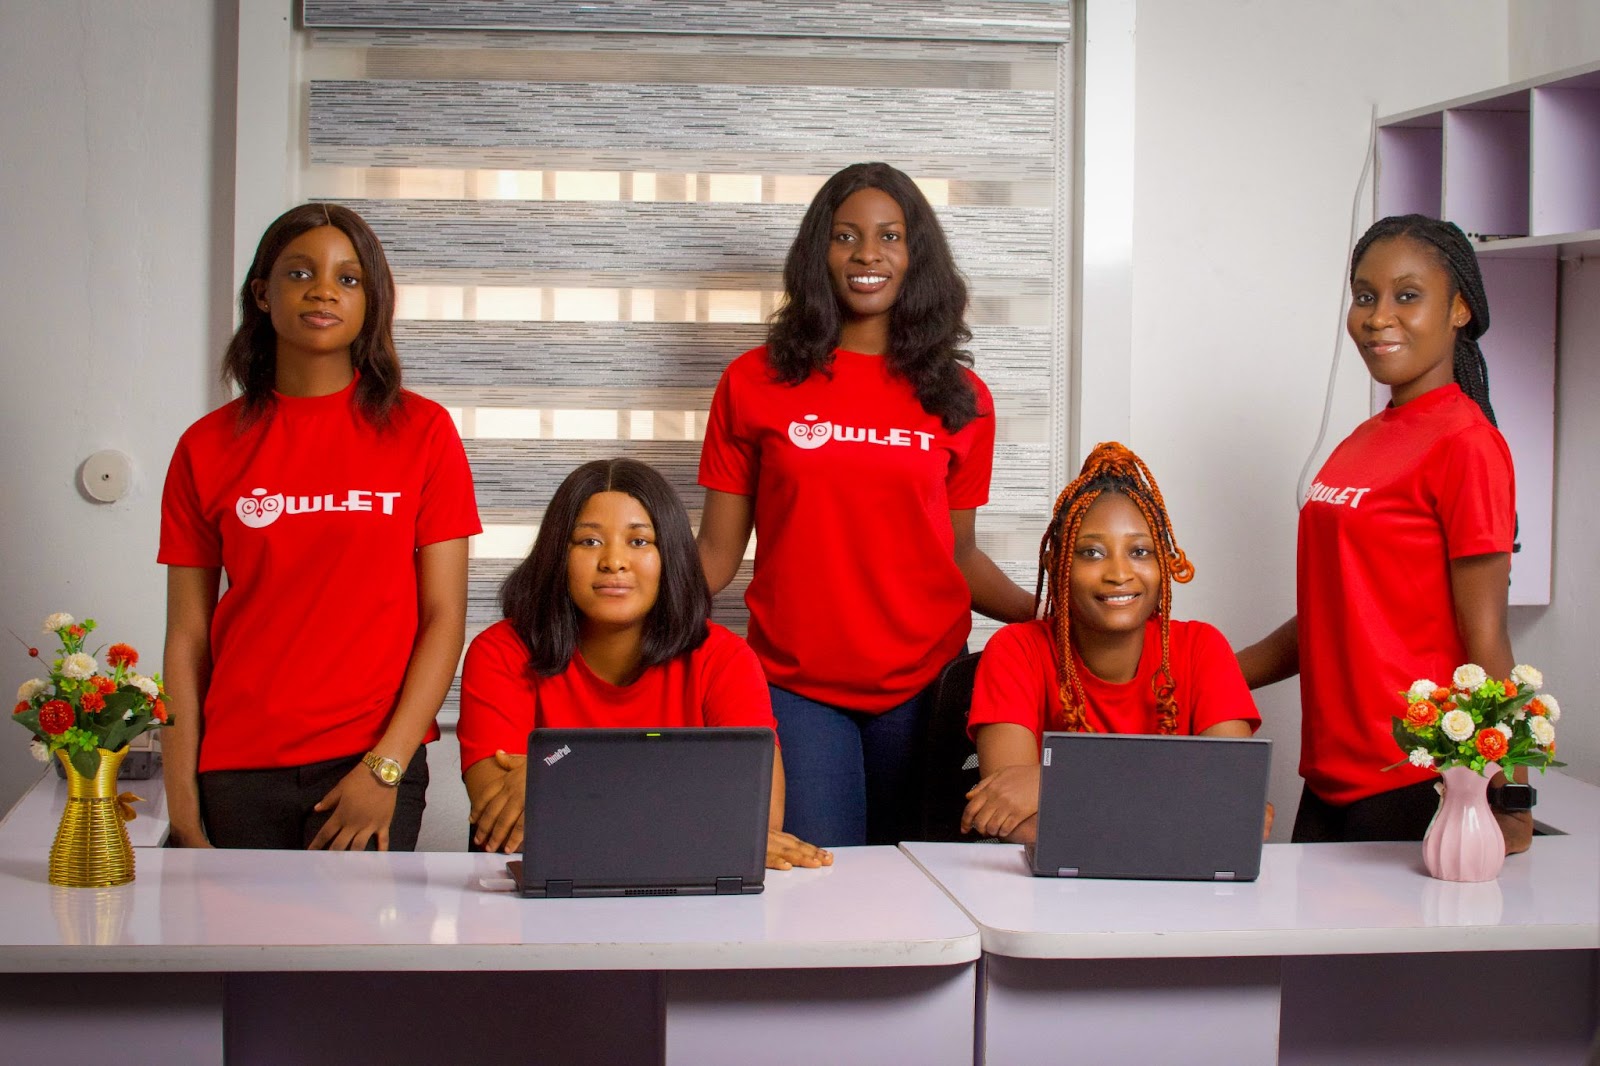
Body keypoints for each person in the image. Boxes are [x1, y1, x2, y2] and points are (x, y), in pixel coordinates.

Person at [696, 161, 1035, 848]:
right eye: (846, 236)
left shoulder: (961, 397)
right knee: (822, 881)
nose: (868, 254)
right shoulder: (753, 382)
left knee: (927, 883)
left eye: (890, 236)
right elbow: (716, 554)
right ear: (818, 252)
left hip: (927, 687)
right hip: (795, 685)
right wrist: (618, 612)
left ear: (916, 256)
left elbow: (959, 553)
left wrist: (1051, 619)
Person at [159, 203, 480, 850]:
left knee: (360, 925)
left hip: (370, 765)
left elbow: (444, 617)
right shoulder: (206, 446)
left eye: (348, 278)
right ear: (262, 294)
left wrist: (386, 766)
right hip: (238, 767)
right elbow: (187, 638)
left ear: (371, 300)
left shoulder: (423, 431)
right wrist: (182, 802)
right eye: (300, 272)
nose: (324, 290)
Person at [1236, 214, 1529, 851]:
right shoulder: (1365, 439)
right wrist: (1215, 674)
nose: (1377, 317)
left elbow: (1486, 635)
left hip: (1418, 777)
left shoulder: (1467, 444)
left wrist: (1511, 798)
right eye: (1365, 296)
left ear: (1459, 309)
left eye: (1407, 295)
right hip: (1330, 776)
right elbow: (1338, 609)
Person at [457, 458, 831, 872]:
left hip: (688, 897)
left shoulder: (725, 658)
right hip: (535, 893)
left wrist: (561, 780)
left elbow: (758, 820)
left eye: (638, 542)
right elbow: (502, 822)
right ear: (556, 555)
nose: (614, 561)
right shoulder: (500, 652)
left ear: (670, 555)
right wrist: (702, 821)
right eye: (589, 541)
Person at [962, 442, 1264, 843]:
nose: (1119, 573)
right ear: (1057, 563)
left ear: (1165, 562)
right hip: (1049, 882)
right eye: (1091, 553)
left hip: (1179, 885)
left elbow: (1237, 810)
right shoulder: (1016, 650)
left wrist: (1054, 779)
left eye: (1140, 551)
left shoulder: (1202, 648)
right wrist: (1181, 802)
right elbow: (1008, 816)